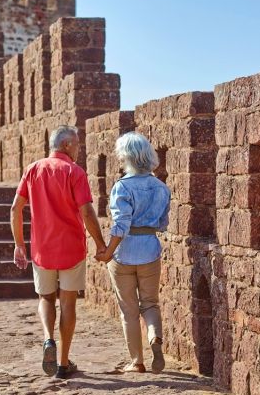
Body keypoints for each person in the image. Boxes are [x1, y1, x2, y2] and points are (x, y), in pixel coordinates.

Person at [11, 125, 106, 379]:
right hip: (71, 248)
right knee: (68, 302)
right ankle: (63, 364)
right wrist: (101, 244)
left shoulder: (33, 169)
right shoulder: (74, 172)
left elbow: (15, 208)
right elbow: (86, 212)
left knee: (45, 298)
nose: (79, 149)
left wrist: (19, 244)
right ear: (66, 145)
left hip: (42, 249)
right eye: (77, 144)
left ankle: (48, 340)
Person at [96, 132, 171, 373]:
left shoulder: (122, 187)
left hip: (124, 252)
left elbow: (120, 225)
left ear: (125, 157)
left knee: (128, 310)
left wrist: (108, 252)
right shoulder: (162, 188)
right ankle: (154, 338)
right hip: (150, 248)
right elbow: (162, 223)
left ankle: (136, 361)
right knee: (150, 304)